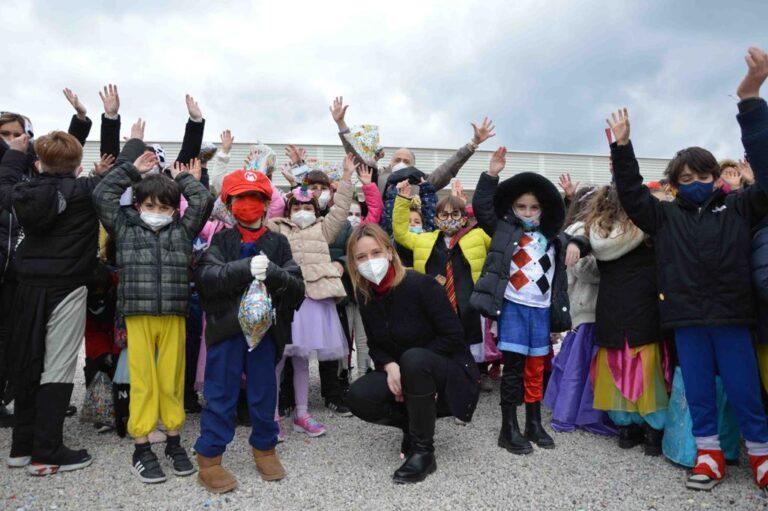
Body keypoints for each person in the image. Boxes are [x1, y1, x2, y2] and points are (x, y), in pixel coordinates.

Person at [607, 46, 768, 492]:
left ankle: (761, 456)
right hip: (685, 319)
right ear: (675, 184)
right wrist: (623, 147)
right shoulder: (665, 216)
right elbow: (633, 194)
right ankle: (709, 454)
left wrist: (750, 102)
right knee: (697, 391)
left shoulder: (740, 208)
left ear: (717, 177)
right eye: (686, 179)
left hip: (734, 315)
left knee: (745, 390)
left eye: (703, 177)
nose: (695, 185)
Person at [93, 126, 213, 484]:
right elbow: (102, 194)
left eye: (164, 206)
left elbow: (203, 202)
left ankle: (174, 440)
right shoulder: (125, 228)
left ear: (174, 209)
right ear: (138, 205)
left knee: (172, 379)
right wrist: (133, 168)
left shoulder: (182, 230)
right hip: (138, 316)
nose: (156, 211)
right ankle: (141, 446)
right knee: (143, 380)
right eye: (149, 205)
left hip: (173, 315)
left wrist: (185, 180)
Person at [470, 147, 586, 454]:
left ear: (543, 209)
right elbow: (482, 207)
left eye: (534, 207)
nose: (527, 211)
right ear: (512, 207)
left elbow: (582, 232)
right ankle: (508, 428)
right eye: (521, 206)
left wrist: (575, 239)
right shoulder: (504, 230)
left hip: (541, 310)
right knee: (514, 368)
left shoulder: (554, 236)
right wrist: (491, 174)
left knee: (537, 368)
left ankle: (533, 423)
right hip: (512, 307)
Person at [2, 131, 106, 474]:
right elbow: (120, 171)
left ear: (38, 163)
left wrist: (14, 156)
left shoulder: (20, 192)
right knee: (58, 368)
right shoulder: (85, 191)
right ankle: (47, 451)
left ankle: (21, 447)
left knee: (28, 362)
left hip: (27, 288)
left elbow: (5, 182)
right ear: (78, 166)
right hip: (67, 288)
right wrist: (131, 140)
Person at [194, 169, 304, 492]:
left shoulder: (278, 242)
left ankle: (265, 448)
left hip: (265, 334)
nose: (249, 204)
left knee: (263, 391)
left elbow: (298, 287)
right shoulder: (221, 240)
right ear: (229, 203)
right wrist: (243, 268)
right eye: (241, 198)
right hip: (227, 331)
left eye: (256, 198)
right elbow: (206, 278)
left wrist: (272, 272)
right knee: (220, 392)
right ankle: (210, 457)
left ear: (267, 203)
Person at [345, 223, 480, 484]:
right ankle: (413, 423)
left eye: (375, 252)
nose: (370, 261)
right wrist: (389, 365)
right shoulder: (365, 295)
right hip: (408, 370)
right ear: (353, 262)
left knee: (415, 359)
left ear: (390, 252)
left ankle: (423, 451)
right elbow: (376, 345)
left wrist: (406, 367)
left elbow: (453, 336)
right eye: (361, 257)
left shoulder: (422, 285)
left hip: (449, 371)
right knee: (358, 396)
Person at [266, 155, 355, 437]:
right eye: (297, 206)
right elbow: (269, 211)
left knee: (302, 360)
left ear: (315, 210)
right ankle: (273, 415)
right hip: (285, 301)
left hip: (314, 301)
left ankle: (302, 413)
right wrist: (275, 181)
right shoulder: (278, 228)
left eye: (308, 206)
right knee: (278, 359)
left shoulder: (323, 228)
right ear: (289, 209)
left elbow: (340, 211)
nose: (302, 210)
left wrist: (347, 179)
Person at [580, 185, 668, 454]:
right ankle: (652, 428)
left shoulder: (597, 230)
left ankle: (627, 428)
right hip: (643, 300)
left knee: (619, 363)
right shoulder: (652, 224)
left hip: (614, 303)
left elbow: (577, 238)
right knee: (645, 363)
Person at [392, 180, 491, 376]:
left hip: (468, 300)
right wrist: (403, 201)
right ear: (436, 219)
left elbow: (498, 238)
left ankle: (476, 373)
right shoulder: (424, 239)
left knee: (470, 337)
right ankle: (443, 373)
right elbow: (401, 233)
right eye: (444, 215)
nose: (449, 219)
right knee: (440, 337)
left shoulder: (478, 235)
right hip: (437, 301)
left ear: (464, 218)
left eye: (455, 214)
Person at [543, 187, 616, 436]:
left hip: (595, 308)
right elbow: (583, 270)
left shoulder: (598, 229)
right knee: (580, 367)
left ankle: (583, 410)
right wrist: (612, 262)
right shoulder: (577, 232)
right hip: (586, 307)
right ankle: (573, 413)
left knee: (583, 365)